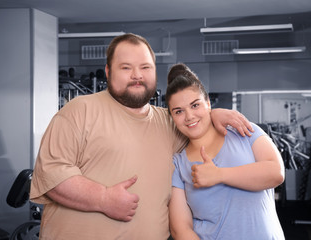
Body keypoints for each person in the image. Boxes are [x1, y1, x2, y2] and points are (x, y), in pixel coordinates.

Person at [30, 33, 253, 240]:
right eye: (126, 67)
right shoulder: (80, 111)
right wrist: (103, 198)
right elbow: (51, 175)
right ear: (108, 72)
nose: (137, 75)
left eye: (145, 67)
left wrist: (213, 113)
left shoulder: (168, 122)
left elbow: (194, 124)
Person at [166, 63, 285, 240]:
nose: (189, 116)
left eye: (195, 105)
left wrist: (219, 174)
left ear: (208, 103)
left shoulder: (244, 131)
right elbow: (180, 229)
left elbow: (276, 173)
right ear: (172, 117)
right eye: (178, 111)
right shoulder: (178, 164)